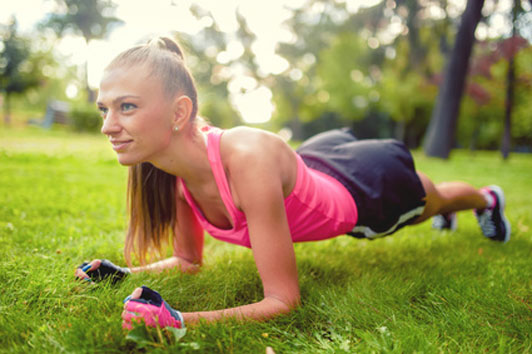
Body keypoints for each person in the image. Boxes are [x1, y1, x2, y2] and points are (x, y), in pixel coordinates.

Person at [74, 37, 510, 330]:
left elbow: (282, 300)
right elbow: (189, 261)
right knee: (432, 202)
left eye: (126, 107)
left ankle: (487, 199)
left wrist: (181, 319)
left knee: (431, 201)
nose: (108, 126)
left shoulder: (247, 159)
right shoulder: (172, 174)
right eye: (104, 109)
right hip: (312, 168)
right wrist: (123, 274)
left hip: (360, 190)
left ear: (178, 113)